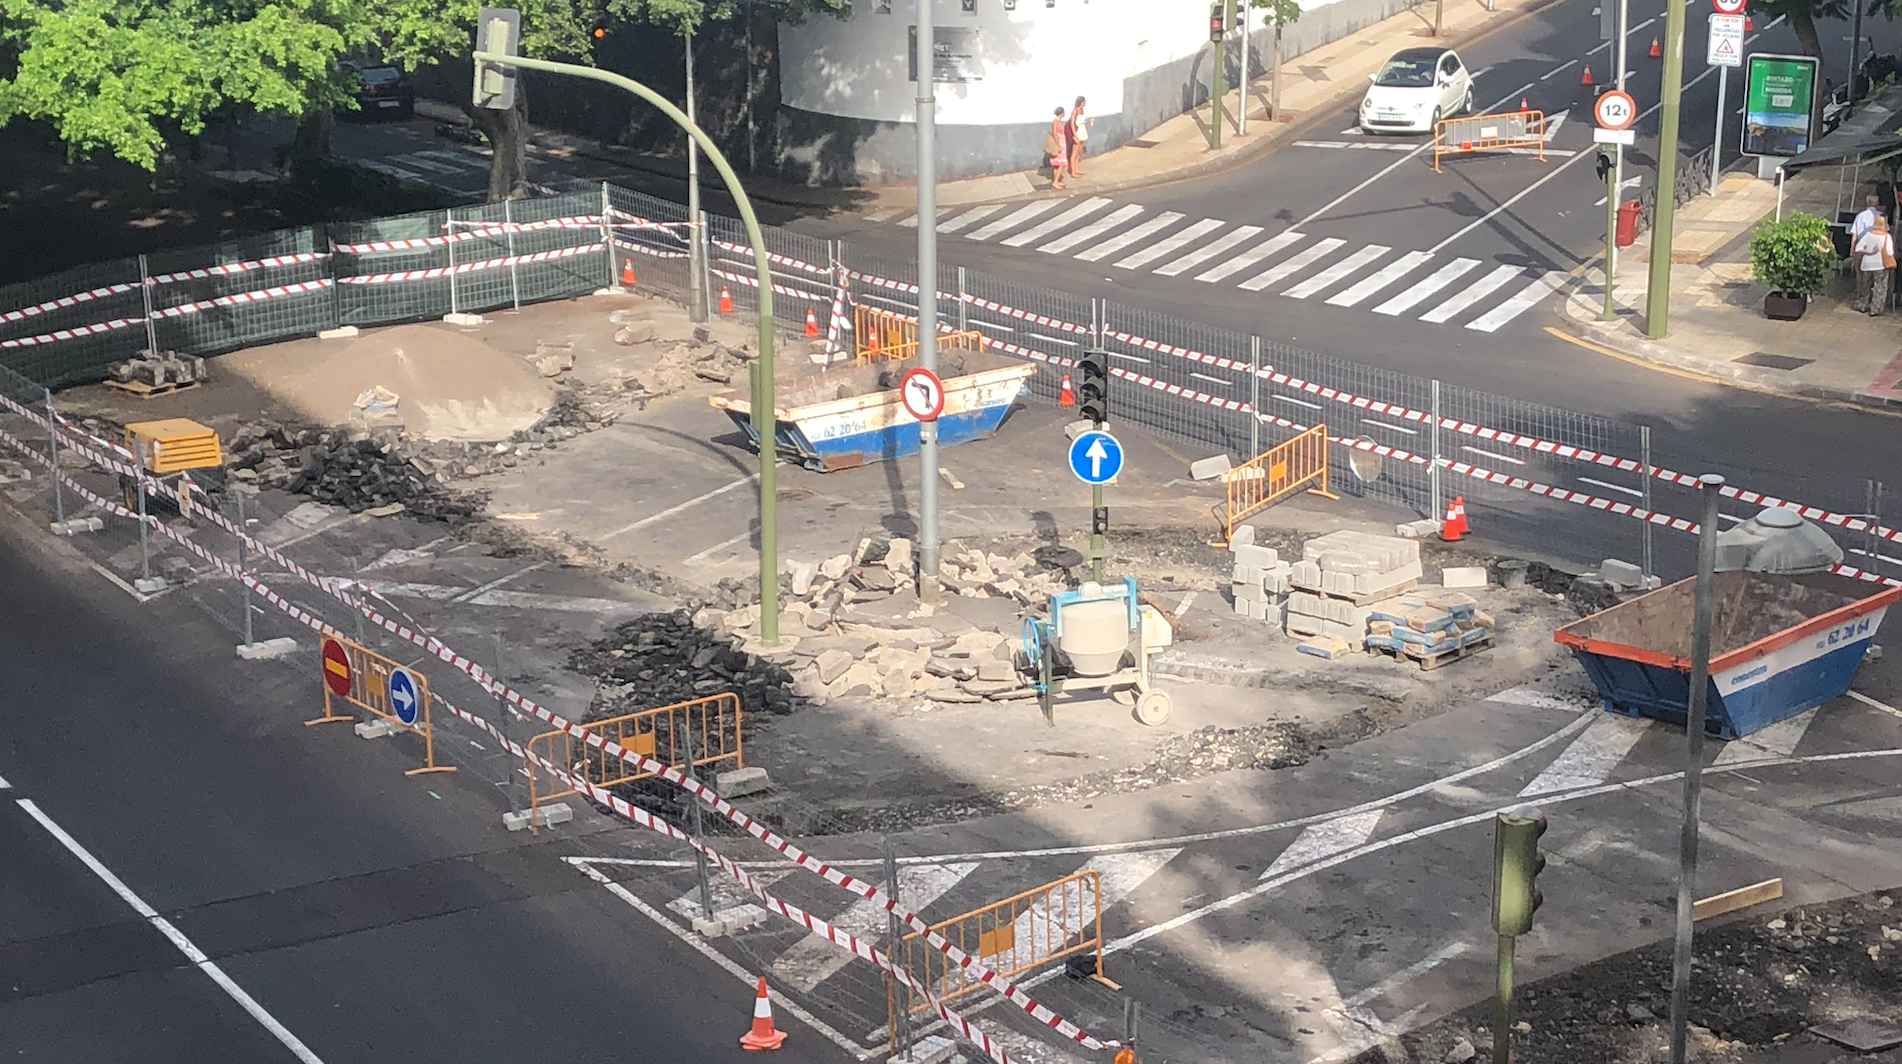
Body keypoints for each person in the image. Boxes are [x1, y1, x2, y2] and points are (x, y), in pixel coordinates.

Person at [1854, 214, 1895, 315]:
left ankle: (1863, 305)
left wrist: (1868, 251)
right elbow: (1890, 252)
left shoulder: (1868, 234)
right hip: (1881, 265)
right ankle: (1875, 309)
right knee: (1880, 287)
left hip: (1867, 264)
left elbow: (1858, 248)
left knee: (1865, 286)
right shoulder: (1886, 237)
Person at [1044, 106, 1070, 190]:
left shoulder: (1057, 121)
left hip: (1061, 142)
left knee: (1057, 164)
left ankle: (1056, 180)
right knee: (1062, 163)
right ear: (1061, 113)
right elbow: (1055, 133)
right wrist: (1058, 145)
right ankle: (1055, 182)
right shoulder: (1055, 122)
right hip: (1059, 143)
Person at [1068, 96, 1090, 178]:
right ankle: (1073, 171)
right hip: (1077, 131)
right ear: (1081, 102)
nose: (1085, 103)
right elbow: (1072, 123)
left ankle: (1076, 169)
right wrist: (1074, 135)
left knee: (1079, 152)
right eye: (1084, 101)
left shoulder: (1082, 110)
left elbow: (1082, 120)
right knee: (1074, 152)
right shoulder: (1075, 111)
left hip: (1082, 130)